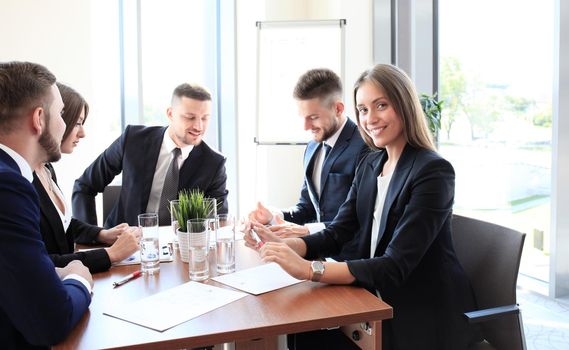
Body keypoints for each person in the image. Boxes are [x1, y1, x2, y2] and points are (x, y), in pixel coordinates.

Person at [245, 64, 479, 350]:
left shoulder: (432, 171)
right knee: (304, 334)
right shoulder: (371, 162)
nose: (370, 119)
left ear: (404, 106)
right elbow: (339, 231)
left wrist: (309, 270)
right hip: (375, 295)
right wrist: (288, 246)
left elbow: (394, 266)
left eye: (381, 105)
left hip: (419, 310)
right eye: (363, 110)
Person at [0, 61, 92, 348]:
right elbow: (52, 321)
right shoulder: (8, 188)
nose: (66, 125)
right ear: (39, 118)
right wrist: (79, 279)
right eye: (62, 114)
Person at [248, 68, 369, 260]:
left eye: (313, 117)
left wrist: (306, 231)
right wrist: (273, 216)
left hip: (350, 263)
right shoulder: (312, 147)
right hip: (317, 255)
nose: (305, 127)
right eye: (303, 117)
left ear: (338, 108)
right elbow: (307, 208)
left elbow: (362, 221)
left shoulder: (365, 147)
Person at [72, 83, 229, 228]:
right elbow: (85, 185)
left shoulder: (214, 164)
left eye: (205, 118)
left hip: (181, 252)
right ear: (170, 113)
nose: (198, 126)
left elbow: (219, 221)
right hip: (122, 246)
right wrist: (92, 237)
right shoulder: (133, 139)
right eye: (190, 117)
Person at [33, 83, 140, 273]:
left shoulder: (46, 168)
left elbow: (61, 225)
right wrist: (111, 254)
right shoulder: (20, 181)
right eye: (77, 123)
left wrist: (101, 234)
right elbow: (40, 262)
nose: (82, 133)